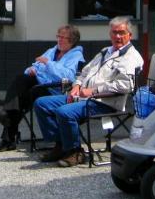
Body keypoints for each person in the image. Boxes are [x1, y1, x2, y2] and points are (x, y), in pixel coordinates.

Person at [34, 16, 143, 167]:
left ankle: (75, 152)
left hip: (105, 101)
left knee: (65, 112)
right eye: (114, 32)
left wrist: (93, 91)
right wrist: (77, 86)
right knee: (42, 103)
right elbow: (85, 72)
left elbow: (125, 86)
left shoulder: (131, 57)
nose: (117, 36)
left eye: (121, 33)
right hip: (83, 96)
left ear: (129, 35)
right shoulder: (105, 51)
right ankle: (61, 145)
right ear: (110, 34)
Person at [0, 24, 84, 152]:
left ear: (72, 41)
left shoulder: (76, 56)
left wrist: (48, 64)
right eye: (58, 36)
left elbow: (68, 77)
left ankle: (8, 136)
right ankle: (7, 116)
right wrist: (31, 70)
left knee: (24, 97)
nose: (59, 40)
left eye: (63, 38)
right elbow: (36, 65)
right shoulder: (52, 51)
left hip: (56, 90)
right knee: (21, 78)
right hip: (40, 83)